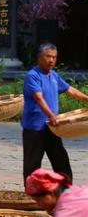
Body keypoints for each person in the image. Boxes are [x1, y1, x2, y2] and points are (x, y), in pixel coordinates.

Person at [21, 43, 88, 182]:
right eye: (48, 56)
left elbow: (70, 90)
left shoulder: (54, 76)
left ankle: (66, 189)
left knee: (61, 160)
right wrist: (51, 115)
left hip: (52, 127)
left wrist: (87, 99)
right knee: (32, 164)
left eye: (54, 57)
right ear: (39, 57)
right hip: (34, 128)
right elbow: (38, 98)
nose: (51, 60)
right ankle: (31, 192)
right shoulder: (32, 76)